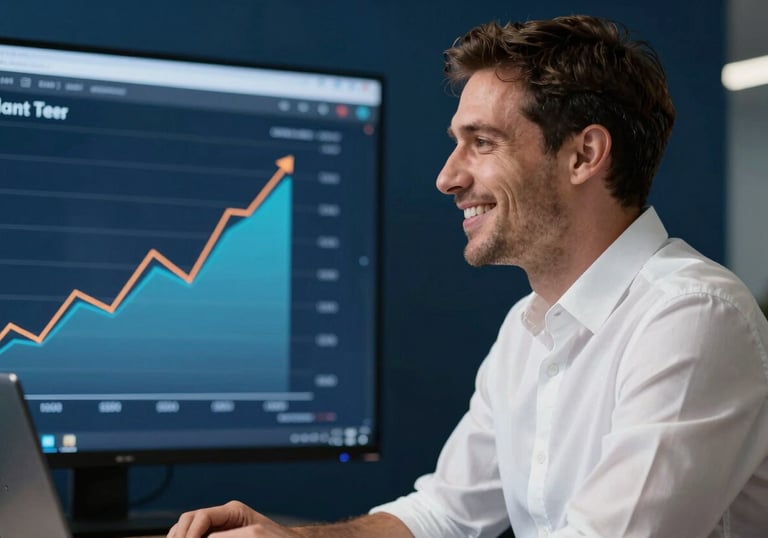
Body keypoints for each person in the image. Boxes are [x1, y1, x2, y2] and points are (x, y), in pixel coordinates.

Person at [167, 14, 768, 538]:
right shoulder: (527, 329)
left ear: (584, 155)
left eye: (482, 142)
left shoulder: (692, 316)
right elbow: (444, 515)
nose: (447, 177)